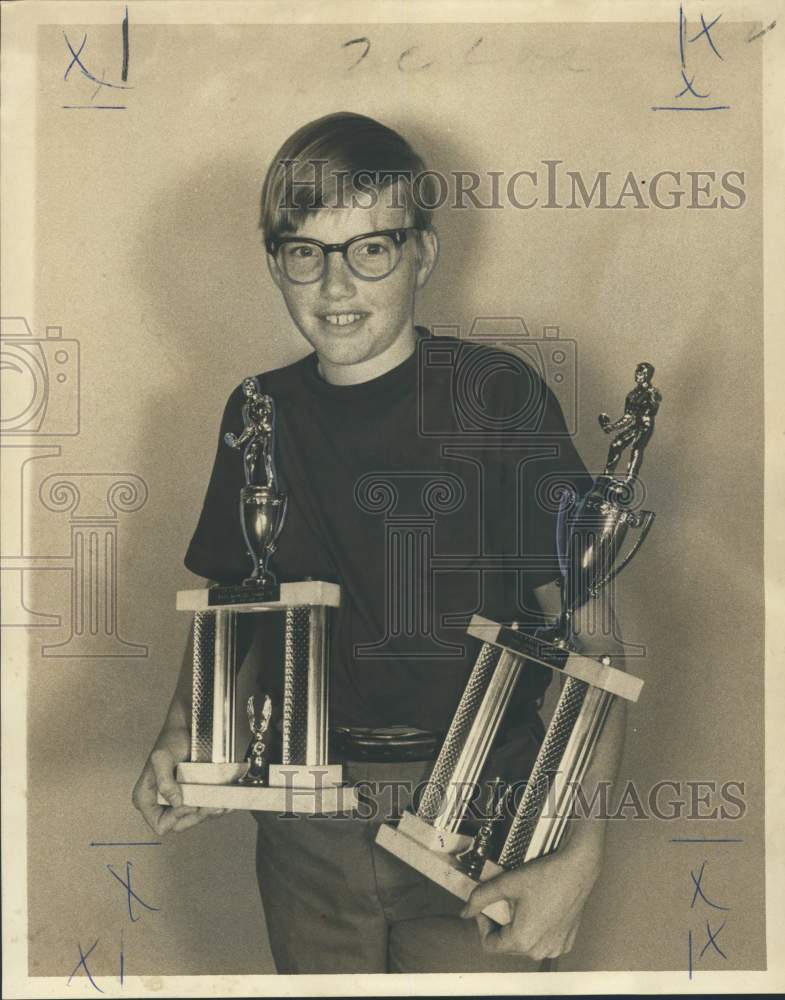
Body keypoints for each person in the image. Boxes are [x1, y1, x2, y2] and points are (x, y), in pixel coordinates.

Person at [132, 112, 628, 974]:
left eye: (371, 249)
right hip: (305, 826)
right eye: (304, 252)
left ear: (423, 255)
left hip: (484, 818)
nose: (335, 286)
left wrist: (580, 855)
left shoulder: (496, 397)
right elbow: (234, 603)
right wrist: (182, 729)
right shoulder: (257, 413)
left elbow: (594, 641)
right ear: (274, 263)